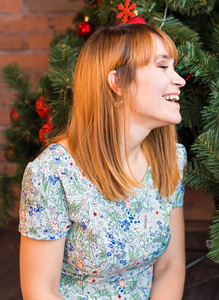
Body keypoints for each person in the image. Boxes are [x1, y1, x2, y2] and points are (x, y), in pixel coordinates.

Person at [19, 23, 187, 300]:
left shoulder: (171, 158)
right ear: (118, 82)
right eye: (162, 67)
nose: (179, 80)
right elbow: (40, 291)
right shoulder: (51, 174)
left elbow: (171, 265)